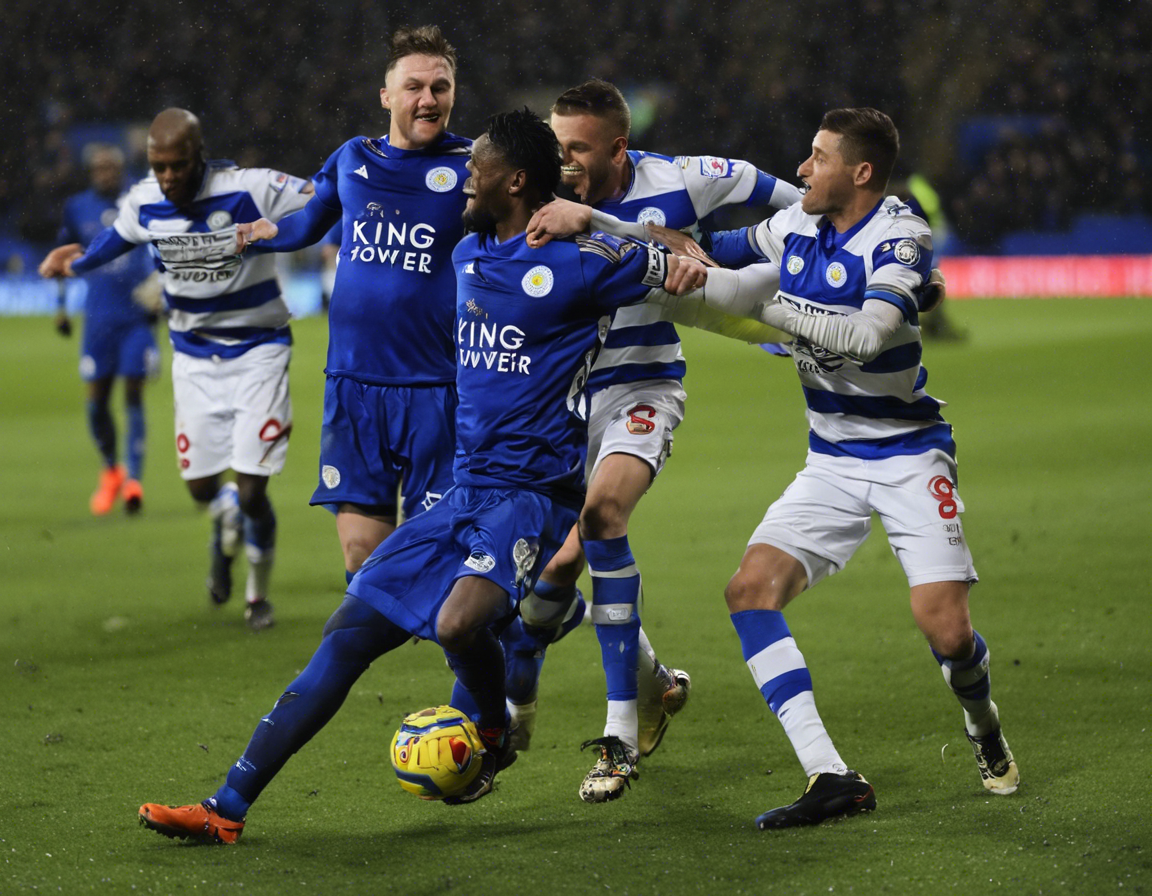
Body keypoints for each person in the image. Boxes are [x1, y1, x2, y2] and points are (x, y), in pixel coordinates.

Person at [137, 107, 702, 843]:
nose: (466, 177)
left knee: (457, 622)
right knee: (347, 632)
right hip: (463, 493)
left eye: (479, 169)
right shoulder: (467, 253)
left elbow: (687, 258)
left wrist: (616, 230)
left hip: (532, 499)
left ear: (516, 181)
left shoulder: (582, 264)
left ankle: (493, 730)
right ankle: (225, 809)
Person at [662, 107, 1019, 828]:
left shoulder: (902, 237)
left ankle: (983, 727)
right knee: (748, 592)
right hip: (831, 460)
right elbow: (711, 249)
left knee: (947, 633)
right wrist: (615, 228)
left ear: (859, 172)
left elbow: (864, 335)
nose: (801, 170)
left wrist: (768, 306)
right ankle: (831, 776)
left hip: (910, 456)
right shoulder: (795, 224)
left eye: (817, 157)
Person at [519, 78, 802, 803]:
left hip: (642, 388)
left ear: (618, 147)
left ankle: (613, 740)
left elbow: (801, 207)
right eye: (558, 148)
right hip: (557, 400)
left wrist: (728, 263)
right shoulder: (536, 199)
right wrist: (649, 241)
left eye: (578, 149)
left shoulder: (684, 178)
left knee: (602, 519)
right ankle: (653, 685)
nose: (565, 163)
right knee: (541, 589)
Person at [39, 108, 313, 631]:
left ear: (198, 156)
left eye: (177, 166)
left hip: (259, 348)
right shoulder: (145, 199)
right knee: (203, 490)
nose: (167, 178)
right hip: (192, 358)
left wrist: (274, 233)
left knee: (254, 488)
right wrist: (75, 263)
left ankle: (257, 595)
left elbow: (325, 199)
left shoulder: (249, 187)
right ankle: (222, 520)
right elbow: (117, 236)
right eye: (158, 166)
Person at [237, 25, 469, 589]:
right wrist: (268, 232)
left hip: (436, 387)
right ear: (386, 95)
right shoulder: (351, 159)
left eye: (440, 87)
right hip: (354, 385)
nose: (428, 99)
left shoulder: (473, 168)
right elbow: (310, 222)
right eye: (414, 86)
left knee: (443, 561)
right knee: (362, 559)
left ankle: (522, 635)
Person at [52, 143, 158, 515]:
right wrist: (61, 309)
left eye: (111, 168)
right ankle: (112, 469)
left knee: (132, 394)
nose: (106, 174)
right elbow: (64, 253)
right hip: (98, 320)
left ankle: (134, 481)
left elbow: (161, 244)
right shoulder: (77, 207)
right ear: (91, 172)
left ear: (121, 168)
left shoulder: (140, 200)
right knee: (96, 402)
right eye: (99, 169)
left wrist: (161, 285)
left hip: (136, 319)